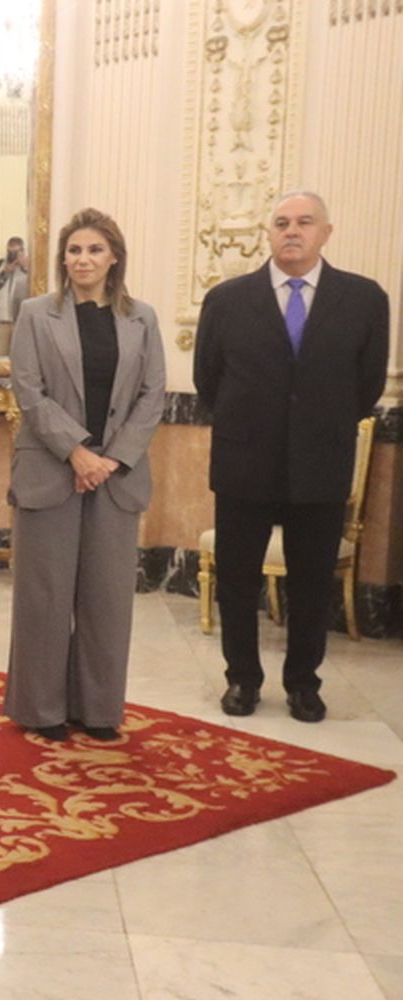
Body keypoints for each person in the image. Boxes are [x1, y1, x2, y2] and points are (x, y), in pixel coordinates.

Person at [194, 192, 389, 723]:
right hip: (244, 463)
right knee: (237, 580)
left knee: (311, 579)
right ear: (269, 233)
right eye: (281, 223)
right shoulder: (227, 300)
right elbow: (207, 382)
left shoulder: (364, 299)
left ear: (327, 231)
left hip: (320, 465)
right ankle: (243, 680)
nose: (292, 232)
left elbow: (366, 384)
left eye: (304, 222)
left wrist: (317, 425)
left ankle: (304, 682)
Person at [2, 209, 167, 742]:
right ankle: (42, 709)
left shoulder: (143, 318)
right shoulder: (34, 314)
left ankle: (98, 709)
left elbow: (152, 395)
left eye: (94, 250)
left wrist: (111, 459)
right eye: (74, 251)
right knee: (44, 596)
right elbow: (28, 389)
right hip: (51, 470)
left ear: (114, 256)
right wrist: (77, 452)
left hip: (117, 477)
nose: (83, 260)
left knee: (107, 597)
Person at [0, 235, 30, 357]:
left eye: (17, 252)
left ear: (23, 251)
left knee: (20, 356)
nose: (13, 255)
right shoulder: (0, 265)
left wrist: (26, 267)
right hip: (0, 321)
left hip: (21, 321)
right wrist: (4, 274)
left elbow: (36, 289)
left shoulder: (30, 268)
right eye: (11, 252)